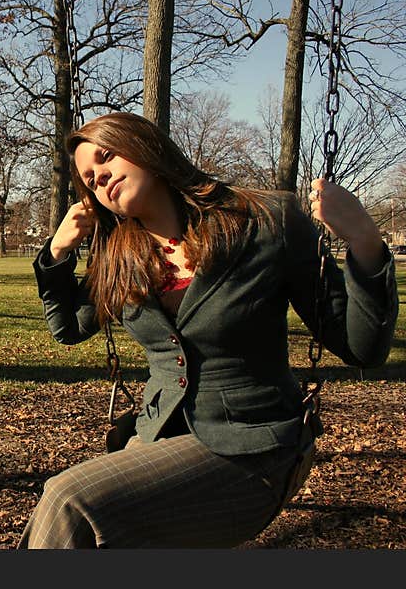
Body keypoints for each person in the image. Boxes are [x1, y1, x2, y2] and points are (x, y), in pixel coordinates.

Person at [19, 112, 398, 548]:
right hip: (159, 438)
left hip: (253, 448)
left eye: (106, 157)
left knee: (70, 500)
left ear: (145, 147)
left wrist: (365, 242)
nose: (100, 178)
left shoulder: (265, 221)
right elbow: (69, 328)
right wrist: (56, 253)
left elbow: (362, 348)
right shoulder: (119, 254)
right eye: (89, 179)